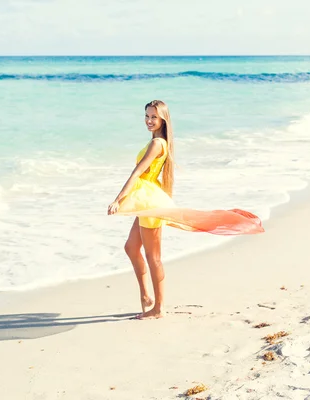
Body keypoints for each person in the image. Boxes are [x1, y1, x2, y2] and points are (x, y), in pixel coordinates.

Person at [108, 100, 264, 320]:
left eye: (153, 117)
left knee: (154, 258)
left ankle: (158, 308)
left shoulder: (157, 144)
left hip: (150, 201)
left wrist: (118, 199)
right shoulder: (157, 142)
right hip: (146, 199)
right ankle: (145, 296)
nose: (149, 121)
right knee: (131, 247)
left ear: (163, 119)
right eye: (146, 116)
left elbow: (137, 172)